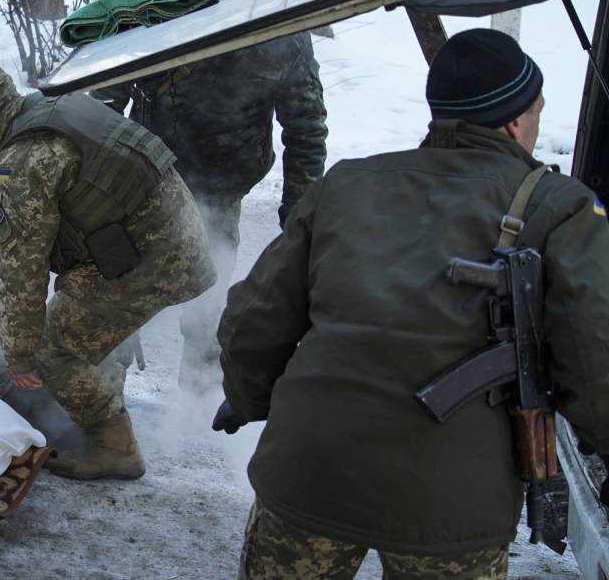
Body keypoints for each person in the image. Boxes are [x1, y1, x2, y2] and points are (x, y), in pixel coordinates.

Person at [212, 28, 609, 578]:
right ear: (516, 120)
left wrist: (249, 399)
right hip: (453, 510)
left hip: (310, 476)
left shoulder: (346, 185)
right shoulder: (560, 208)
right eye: (537, 111)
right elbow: (595, 360)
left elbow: (252, 322)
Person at [0, 60, 216, 480]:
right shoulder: (59, 106)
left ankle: (114, 448)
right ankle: (99, 393)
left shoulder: (23, 161)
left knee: (50, 350)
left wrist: (19, 355)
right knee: (79, 312)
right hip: (177, 242)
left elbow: (23, 272)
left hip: (151, 262)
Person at [92, 0, 327, 392]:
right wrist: (103, 174)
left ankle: (197, 405)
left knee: (208, 295)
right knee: (123, 290)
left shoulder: (284, 35)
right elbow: (108, 91)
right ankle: (101, 396)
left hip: (222, 187)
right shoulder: (175, 15)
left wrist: (298, 209)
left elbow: (305, 127)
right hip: (149, 180)